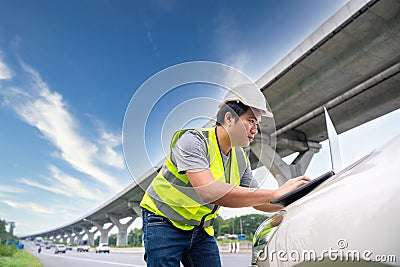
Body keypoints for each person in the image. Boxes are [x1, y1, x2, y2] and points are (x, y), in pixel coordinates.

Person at [140, 84, 310, 267]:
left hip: (200, 230)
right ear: (229, 118)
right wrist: (275, 193)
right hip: (163, 222)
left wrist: (295, 198)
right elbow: (208, 191)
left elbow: (257, 200)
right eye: (251, 121)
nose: (255, 130)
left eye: (257, 124)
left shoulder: (240, 158)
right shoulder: (192, 141)